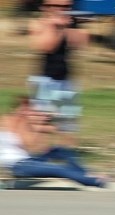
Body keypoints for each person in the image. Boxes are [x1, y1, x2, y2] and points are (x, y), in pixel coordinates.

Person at [0, 96, 107, 187]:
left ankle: (86, 174)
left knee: (61, 151)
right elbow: (23, 140)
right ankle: (96, 182)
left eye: (31, 108)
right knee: (61, 169)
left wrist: (41, 127)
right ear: (19, 107)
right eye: (27, 108)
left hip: (28, 160)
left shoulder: (25, 123)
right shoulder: (6, 120)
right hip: (19, 166)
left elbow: (31, 146)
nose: (31, 111)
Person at [28, 0, 88, 148]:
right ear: (45, 8)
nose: (61, 9)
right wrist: (55, 26)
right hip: (43, 80)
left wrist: (70, 27)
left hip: (65, 80)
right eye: (56, 6)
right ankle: (38, 156)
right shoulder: (38, 24)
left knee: (68, 127)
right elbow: (46, 46)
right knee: (39, 125)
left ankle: (67, 157)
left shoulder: (69, 24)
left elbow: (80, 44)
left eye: (66, 6)